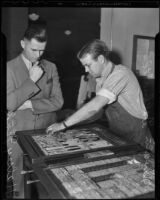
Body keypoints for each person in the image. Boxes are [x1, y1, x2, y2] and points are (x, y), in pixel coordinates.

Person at [46, 39, 154, 153]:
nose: (86, 70)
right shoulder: (100, 80)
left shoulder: (121, 74)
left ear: (101, 59)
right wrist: (72, 124)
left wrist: (63, 124)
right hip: (118, 134)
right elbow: (98, 112)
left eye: (88, 65)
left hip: (137, 136)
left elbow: (95, 106)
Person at [7, 18, 63, 198]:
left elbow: (59, 102)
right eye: (33, 49)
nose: (38, 55)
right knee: (21, 183)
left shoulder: (51, 67)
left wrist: (30, 104)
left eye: (42, 50)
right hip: (18, 134)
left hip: (47, 132)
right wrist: (31, 80)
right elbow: (10, 103)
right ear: (23, 43)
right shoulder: (8, 68)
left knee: (48, 182)